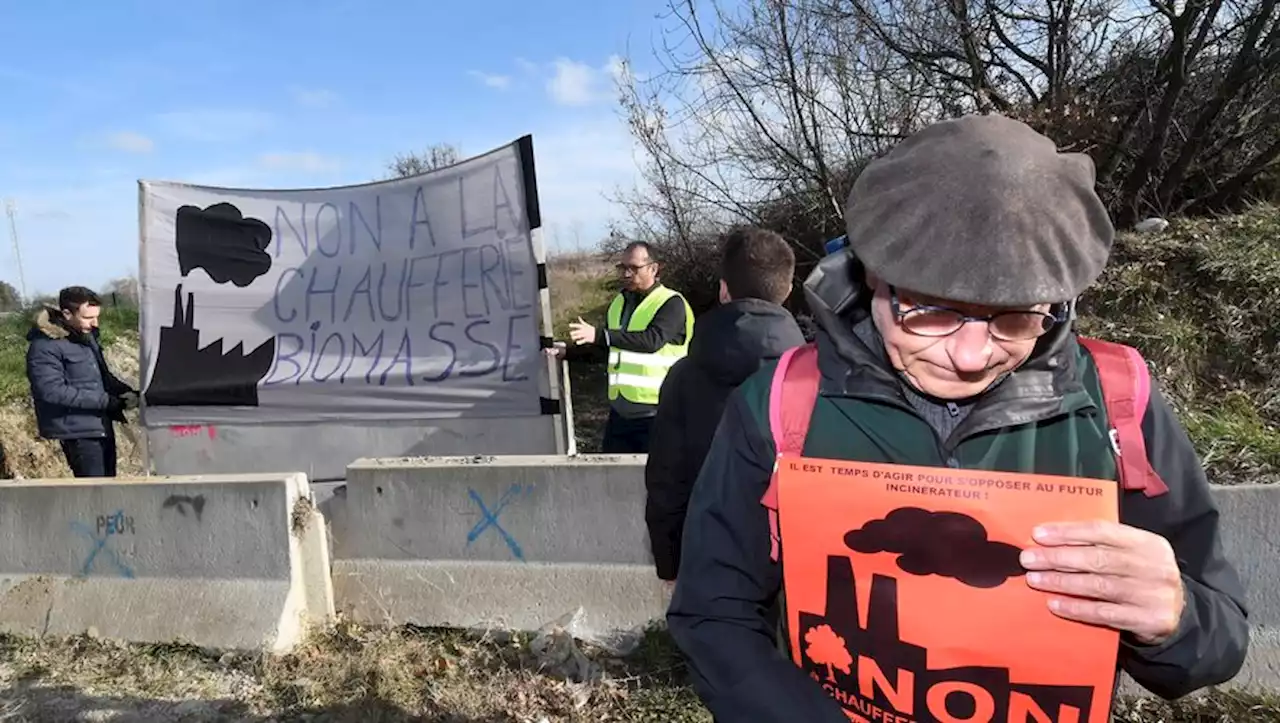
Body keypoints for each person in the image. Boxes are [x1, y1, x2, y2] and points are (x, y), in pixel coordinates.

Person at [667, 114, 1248, 722]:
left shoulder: (1118, 401)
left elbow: (1221, 642)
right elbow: (713, 615)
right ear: (874, 277)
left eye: (1016, 317)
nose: (972, 356)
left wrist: (1175, 619)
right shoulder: (781, 403)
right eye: (930, 311)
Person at [645, 227, 805, 586]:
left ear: (723, 290)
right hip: (800, 566)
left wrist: (669, 563)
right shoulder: (820, 374)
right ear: (787, 290)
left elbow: (667, 481)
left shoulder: (684, 378)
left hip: (711, 560)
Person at [547, 241, 694, 453]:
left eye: (633, 268)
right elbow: (607, 348)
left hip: (658, 415)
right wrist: (568, 352)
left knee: (655, 483)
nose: (626, 274)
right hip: (620, 414)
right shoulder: (619, 303)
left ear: (653, 268)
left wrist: (600, 335)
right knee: (613, 480)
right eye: (622, 268)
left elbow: (651, 340)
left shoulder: (672, 303)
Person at [26, 286, 138, 478]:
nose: (95, 323)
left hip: (100, 426)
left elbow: (102, 377)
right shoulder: (45, 346)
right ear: (67, 314)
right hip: (77, 433)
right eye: (88, 318)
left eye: (97, 316)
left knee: (108, 488)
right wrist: (106, 401)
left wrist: (126, 393)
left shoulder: (86, 338)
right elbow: (51, 390)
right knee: (94, 493)